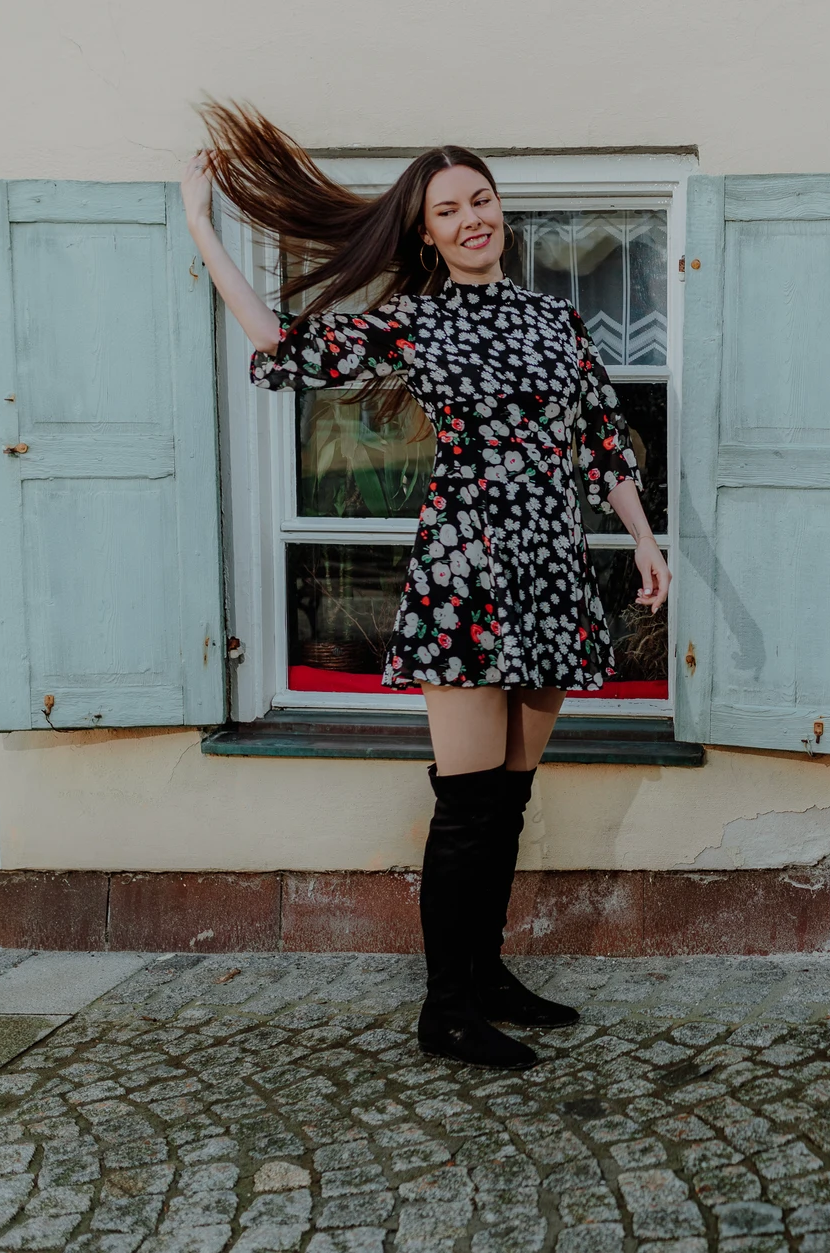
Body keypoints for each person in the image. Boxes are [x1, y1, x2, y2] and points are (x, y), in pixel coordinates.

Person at [181, 103, 669, 1071]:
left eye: (480, 199)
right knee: (468, 804)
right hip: (464, 578)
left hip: (550, 572)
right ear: (426, 235)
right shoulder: (415, 324)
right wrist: (201, 224)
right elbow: (279, 344)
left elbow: (601, 439)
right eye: (449, 210)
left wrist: (644, 541)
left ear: (500, 211)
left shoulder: (555, 319)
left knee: (511, 798)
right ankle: (444, 1010)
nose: (471, 218)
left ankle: (485, 975)